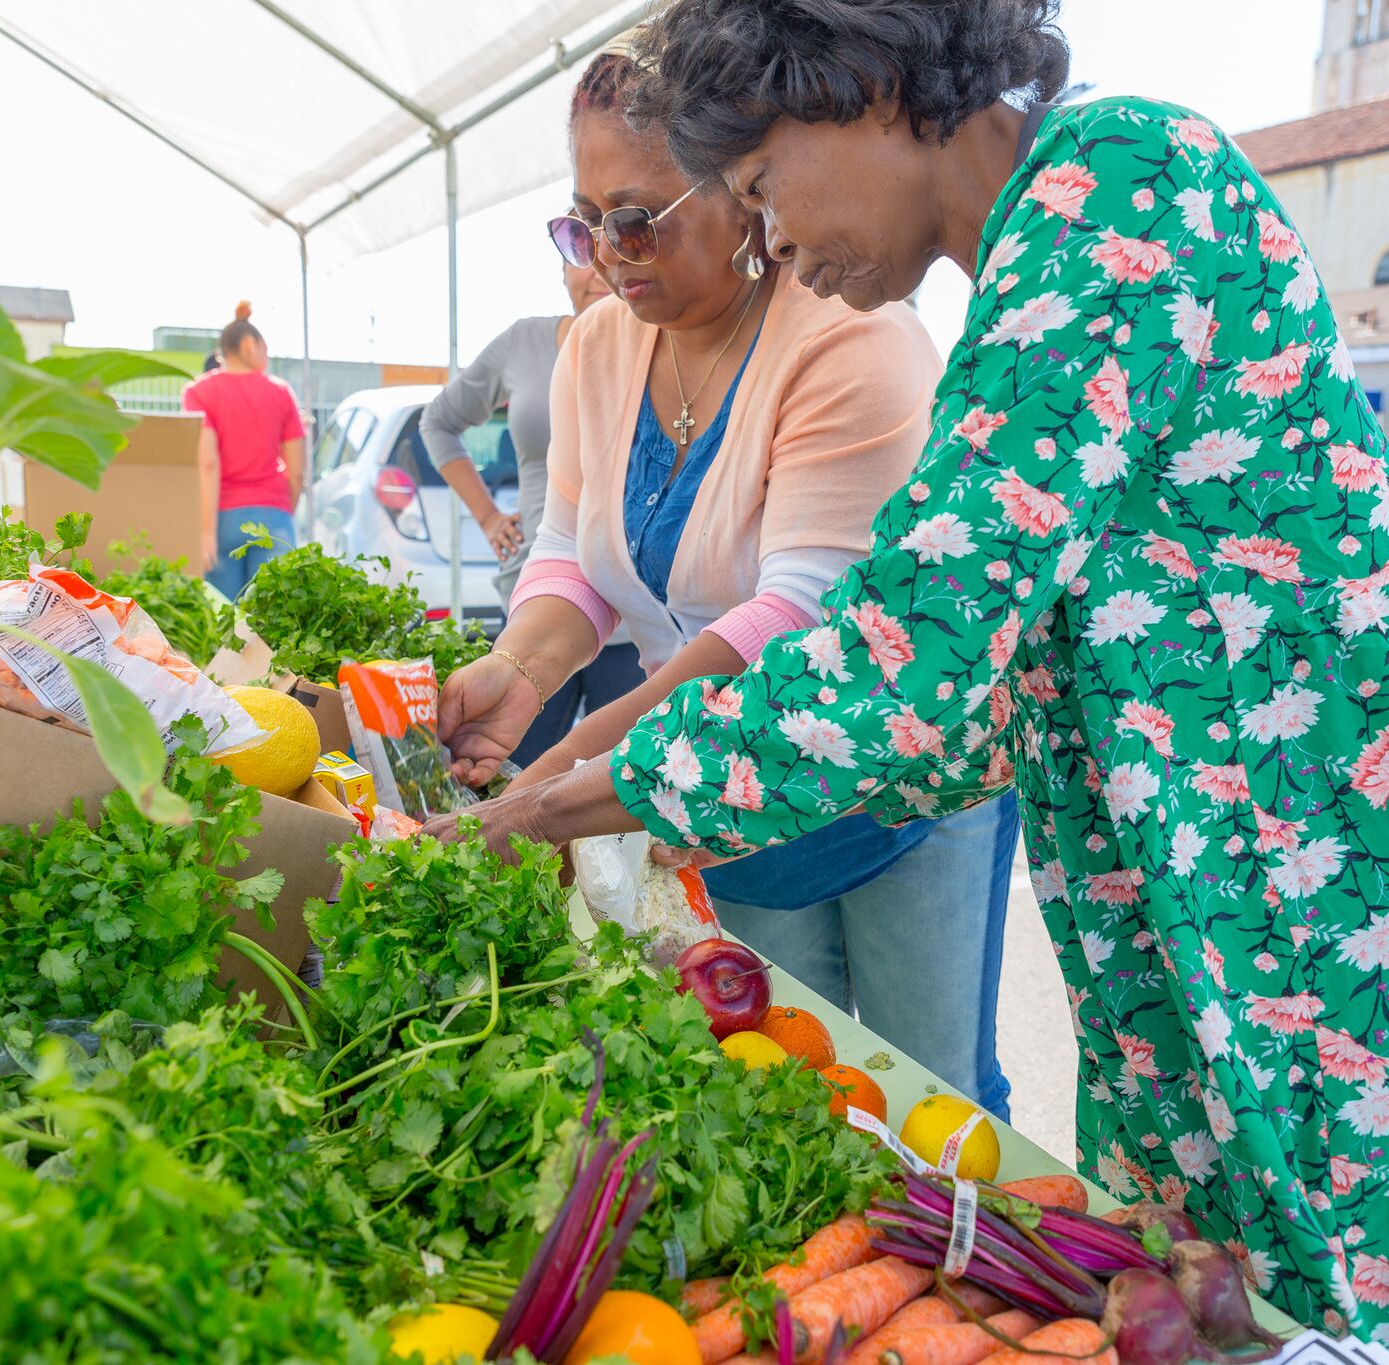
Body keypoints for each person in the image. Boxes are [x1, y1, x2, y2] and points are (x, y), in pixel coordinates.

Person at [423, 4, 1389, 1362]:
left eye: (762, 189)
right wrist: (630, 800)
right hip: (1242, 891)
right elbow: (976, 707)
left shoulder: (1118, 182)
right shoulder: (1026, 275)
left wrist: (555, 806)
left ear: (867, 89)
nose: (778, 248)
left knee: (1386, 1332)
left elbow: (911, 653)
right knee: (1227, 1320)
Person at [435, 45, 1020, 1118]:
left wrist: (570, 761)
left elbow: (796, 617)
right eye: (582, 223)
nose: (611, 256)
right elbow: (573, 554)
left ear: (744, 192)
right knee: (789, 1075)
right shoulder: (596, 350)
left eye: (637, 216)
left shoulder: (856, 333)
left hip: (889, 782)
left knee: (928, 1094)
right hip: (711, 779)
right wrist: (518, 668)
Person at [420, 262, 647, 767]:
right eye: (580, 244)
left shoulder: (672, 342)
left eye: (622, 228)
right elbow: (438, 422)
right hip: (540, 601)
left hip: (638, 612)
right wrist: (487, 516)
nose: (598, 263)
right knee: (510, 776)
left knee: (625, 787)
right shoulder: (524, 343)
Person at [181, 301, 304, 598]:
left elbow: (207, 463)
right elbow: (297, 470)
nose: (268, 355)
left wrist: (206, 531)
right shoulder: (280, 391)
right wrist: (284, 510)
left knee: (227, 626)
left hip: (222, 517)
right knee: (273, 623)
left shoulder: (198, 392)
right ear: (250, 345)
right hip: (274, 515)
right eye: (265, 347)